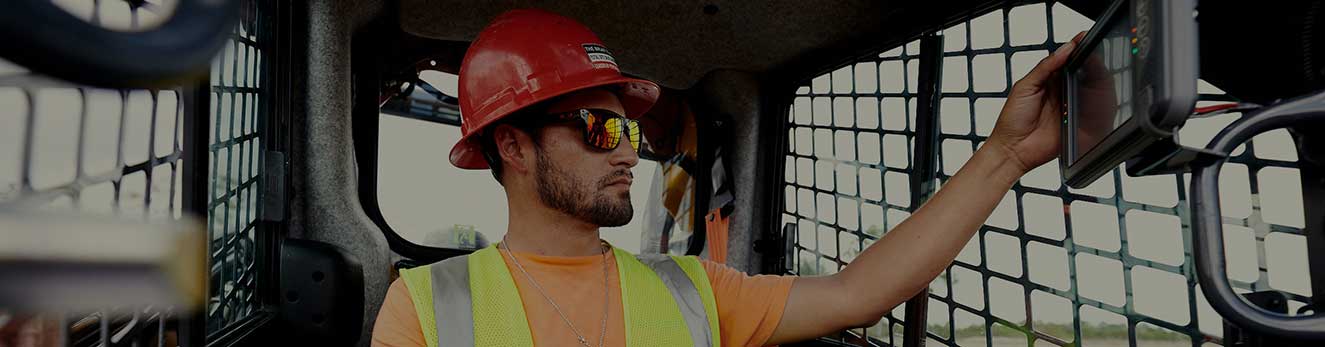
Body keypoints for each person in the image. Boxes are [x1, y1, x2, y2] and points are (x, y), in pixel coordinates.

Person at [372, 8, 1083, 347]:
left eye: (630, 130)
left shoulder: (691, 289)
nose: (628, 151)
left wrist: (1005, 157)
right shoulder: (426, 309)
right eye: (601, 128)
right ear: (513, 147)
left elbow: (861, 291)